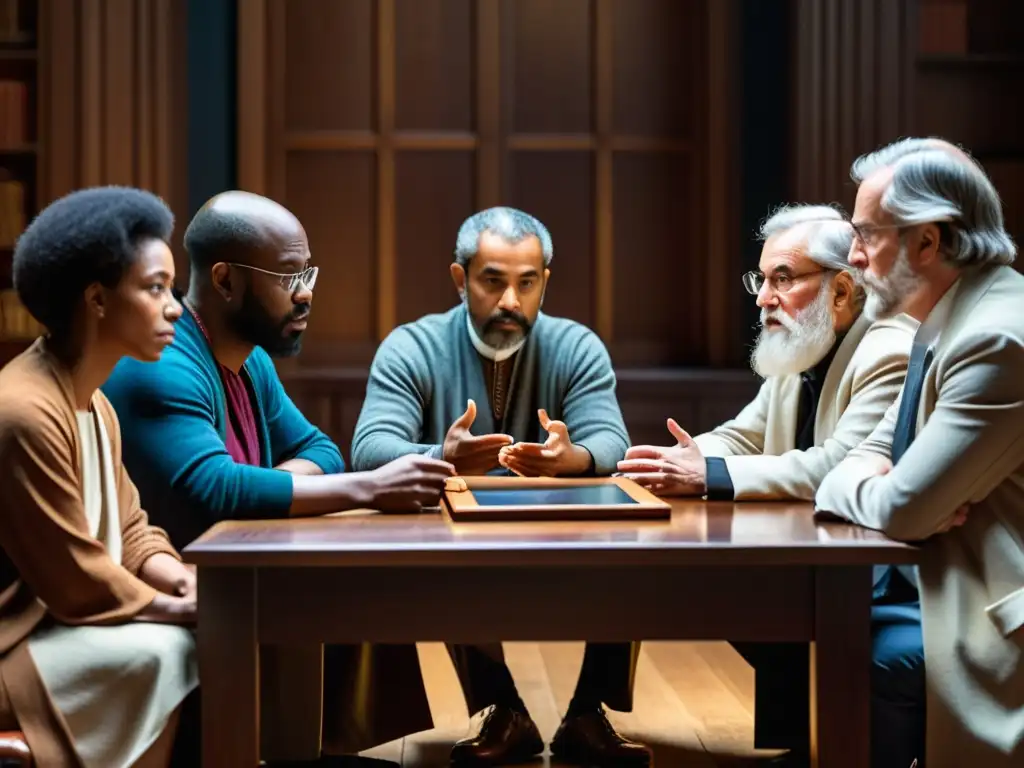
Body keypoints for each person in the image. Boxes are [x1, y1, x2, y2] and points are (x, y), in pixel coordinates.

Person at [102, 191, 455, 765]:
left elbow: (320, 448)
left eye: (308, 272)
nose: (307, 291)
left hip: (238, 566)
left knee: (369, 576)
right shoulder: (163, 360)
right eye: (289, 275)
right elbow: (217, 489)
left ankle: (307, 746)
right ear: (225, 281)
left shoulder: (250, 357)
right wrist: (371, 487)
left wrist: (267, 483)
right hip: (172, 580)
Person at [616, 203, 920, 767]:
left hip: (884, 575)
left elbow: (834, 464)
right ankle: (807, 744)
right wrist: (671, 460)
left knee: (732, 593)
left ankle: (830, 747)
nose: (763, 298)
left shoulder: (889, 349)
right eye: (762, 279)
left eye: (784, 278)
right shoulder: (802, 344)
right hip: (822, 556)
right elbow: (741, 436)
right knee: (706, 591)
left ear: (843, 290)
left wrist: (705, 474)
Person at [350, 206, 647, 767]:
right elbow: (369, 449)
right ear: (461, 279)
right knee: (449, 552)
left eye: (527, 283)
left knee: (631, 538)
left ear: (544, 283)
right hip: (457, 541)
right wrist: (444, 455)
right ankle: (503, 709)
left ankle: (587, 712)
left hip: (566, 535)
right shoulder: (412, 346)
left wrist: (576, 458)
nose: (511, 300)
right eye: (493, 281)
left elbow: (613, 441)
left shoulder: (575, 346)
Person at [814, 137, 1024, 768]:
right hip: (939, 574)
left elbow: (903, 508)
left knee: (865, 649)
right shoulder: (945, 315)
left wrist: (861, 487)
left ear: (928, 242)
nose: (852, 258)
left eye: (866, 235)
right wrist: (862, 483)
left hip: (991, 601)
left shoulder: (995, 337)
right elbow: (867, 455)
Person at [0, 186, 198, 767]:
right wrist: (184, 607)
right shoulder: (24, 410)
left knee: (197, 638)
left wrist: (181, 579)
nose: (176, 308)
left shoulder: (95, 402)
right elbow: (74, 577)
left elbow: (132, 529)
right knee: (169, 647)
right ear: (98, 300)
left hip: (68, 628)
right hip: (20, 644)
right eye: (156, 287)